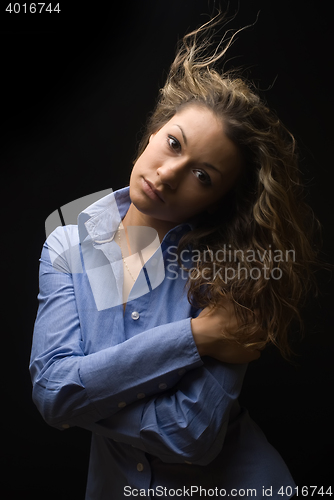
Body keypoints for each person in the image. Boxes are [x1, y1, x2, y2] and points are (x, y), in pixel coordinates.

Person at [30, 14, 318, 499]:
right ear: (155, 129)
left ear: (218, 200)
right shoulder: (66, 241)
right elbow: (51, 395)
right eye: (173, 143)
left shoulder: (233, 269)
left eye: (202, 176)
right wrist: (196, 336)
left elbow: (191, 436)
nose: (167, 175)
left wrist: (82, 395)